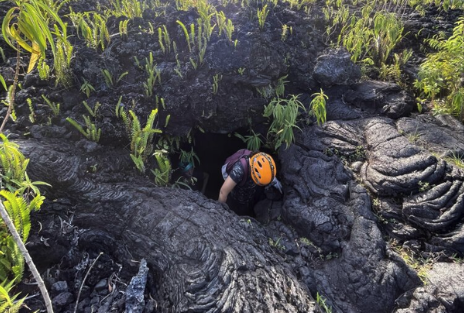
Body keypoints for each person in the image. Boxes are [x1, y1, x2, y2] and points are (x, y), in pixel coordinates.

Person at [218, 150, 282, 216]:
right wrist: (219, 211)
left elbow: (265, 169)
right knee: (239, 211)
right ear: (253, 172)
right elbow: (223, 192)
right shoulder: (239, 170)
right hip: (235, 197)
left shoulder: (260, 159)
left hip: (249, 194)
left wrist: (273, 179)